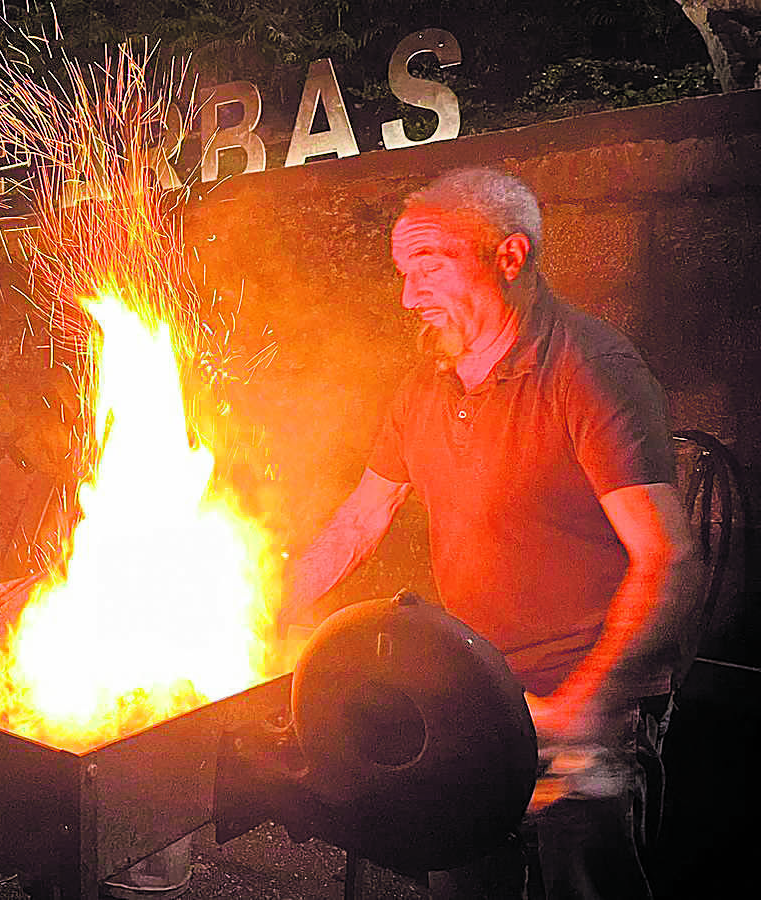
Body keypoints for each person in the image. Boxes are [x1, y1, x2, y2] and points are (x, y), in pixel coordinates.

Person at [278, 168, 700, 899]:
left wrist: (587, 704)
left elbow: (669, 559)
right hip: (474, 689)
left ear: (509, 258)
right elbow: (357, 523)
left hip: (587, 689)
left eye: (430, 266)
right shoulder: (425, 387)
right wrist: (263, 610)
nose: (411, 295)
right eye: (404, 274)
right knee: (464, 882)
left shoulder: (590, 372)